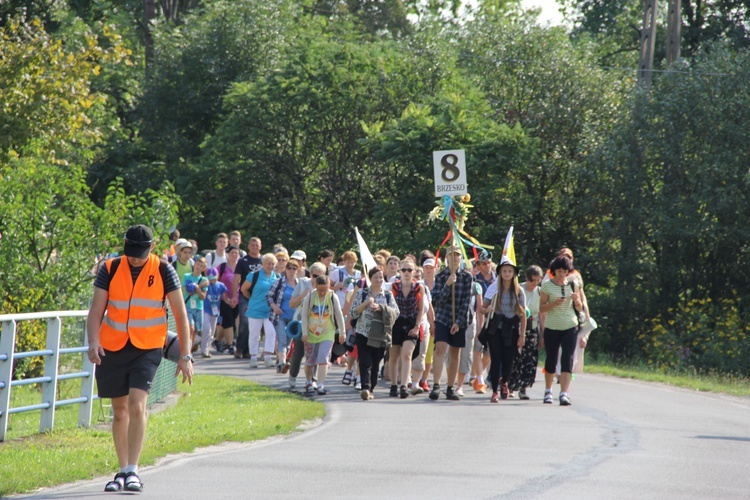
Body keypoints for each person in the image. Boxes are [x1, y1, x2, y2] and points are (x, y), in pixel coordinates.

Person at [87, 224, 193, 493]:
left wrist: (186, 355)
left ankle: (133, 470)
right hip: (113, 346)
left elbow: (181, 316)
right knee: (119, 411)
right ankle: (121, 470)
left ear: (152, 248)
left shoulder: (163, 269)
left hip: (147, 347)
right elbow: (96, 311)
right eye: (131, 251)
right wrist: (93, 342)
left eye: (140, 253)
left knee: (137, 405)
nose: (135, 257)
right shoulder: (110, 269)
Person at [429, 245, 474, 401]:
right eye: (451, 255)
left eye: (457, 255)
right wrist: (448, 285)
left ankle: (450, 387)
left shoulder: (467, 277)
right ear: (446, 258)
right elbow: (437, 301)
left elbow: (466, 302)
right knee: (440, 348)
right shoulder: (440, 277)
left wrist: (459, 322)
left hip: (459, 318)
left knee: (455, 352)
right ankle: (436, 385)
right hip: (443, 316)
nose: (454, 258)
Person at [539, 255, 585, 406]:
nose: (561, 275)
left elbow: (579, 307)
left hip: (570, 326)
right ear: (554, 271)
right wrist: (554, 304)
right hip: (552, 326)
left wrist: (577, 301)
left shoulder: (574, 285)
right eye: (558, 271)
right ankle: (548, 391)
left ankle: (564, 393)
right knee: (551, 358)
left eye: (564, 271)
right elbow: (540, 308)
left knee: (567, 359)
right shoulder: (546, 286)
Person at [350, 268, 399, 400]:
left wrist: (381, 308)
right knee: (365, 361)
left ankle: (371, 389)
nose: (379, 280)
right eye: (376, 277)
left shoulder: (388, 295)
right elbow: (353, 312)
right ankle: (365, 388)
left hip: (380, 335)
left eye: (381, 277)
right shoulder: (362, 293)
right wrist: (366, 303)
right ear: (370, 278)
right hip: (363, 333)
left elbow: (396, 313)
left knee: (376, 363)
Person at [482, 259, 527, 403]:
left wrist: (522, 335)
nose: (507, 274)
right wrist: (487, 309)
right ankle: (494, 390)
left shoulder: (519, 291)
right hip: (496, 328)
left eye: (509, 271)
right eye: (504, 271)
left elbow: (522, 314)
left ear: (513, 273)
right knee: (496, 359)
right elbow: (482, 307)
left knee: (509, 360)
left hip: (512, 328)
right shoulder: (493, 289)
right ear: (500, 273)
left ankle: (505, 382)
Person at [300, 275, 346, 395]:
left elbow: (338, 315)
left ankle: (321, 384)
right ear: (315, 286)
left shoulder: (332, 296)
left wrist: (342, 332)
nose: (322, 293)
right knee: (310, 360)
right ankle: (309, 381)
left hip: (327, 332)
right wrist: (304, 333)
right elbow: (304, 316)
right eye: (320, 290)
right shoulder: (310, 297)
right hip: (311, 333)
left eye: (324, 290)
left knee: (323, 358)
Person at [287, 262, 327, 389]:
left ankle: (311, 380)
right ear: (310, 274)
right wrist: (304, 294)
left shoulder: (325, 287)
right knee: (298, 352)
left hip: (317, 325)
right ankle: (292, 375)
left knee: (314, 353)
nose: (318, 279)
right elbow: (292, 304)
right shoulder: (303, 283)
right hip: (301, 323)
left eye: (321, 276)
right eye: (315, 276)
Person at [388, 259, 425, 398]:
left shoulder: (418, 287)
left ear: (414, 271)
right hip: (396, 322)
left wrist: (417, 326)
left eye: (409, 270)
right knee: (393, 355)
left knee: (407, 354)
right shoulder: (394, 287)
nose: (406, 273)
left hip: (411, 323)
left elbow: (421, 310)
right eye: (403, 270)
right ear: (399, 271)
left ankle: (404, 385)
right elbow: (389, 307)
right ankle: (393, 384)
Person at [508, 265, 544, 399]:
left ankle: (523, 388)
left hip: (532, 327)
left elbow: (542, 315)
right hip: (516, 326)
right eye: (532, 280)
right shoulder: (519, 289)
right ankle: (510, 385)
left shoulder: (540, 292)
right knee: (514, 358)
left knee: (529, 359)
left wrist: (542, 334)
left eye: (537, 280)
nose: (534, 283)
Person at [241, 253, 279, 368]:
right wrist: (251, 299)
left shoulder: (277, 277)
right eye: (268, 263)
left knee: (271, 333)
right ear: (262, 264)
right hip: (255, 309)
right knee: (254, 334)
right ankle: (253, 357)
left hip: (270, 311)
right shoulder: (254, 275)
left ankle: (267, 356)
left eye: (273, 264)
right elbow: (244, 289)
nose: (270, 266)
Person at [233, 237, 263, 358]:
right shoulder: (243, 261)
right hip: (245, 296)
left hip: (259, 297)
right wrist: (234, 295)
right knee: (244, 322)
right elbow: (236, 279)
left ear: (260, 246)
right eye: (252, 245)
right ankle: (240, 348)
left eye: (257, 245)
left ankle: (249, 349)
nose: (255, 247)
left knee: (256, 324)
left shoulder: (263, 260)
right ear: (249, 246)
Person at [267, 257, 299, 371]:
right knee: (282, 340)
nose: (291, 270)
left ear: (297, 271)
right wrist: (274, 307)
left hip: (294, 318)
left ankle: (281, 361)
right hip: (280, 316)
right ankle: (282, 363)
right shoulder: (279, 282)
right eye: (289, 268)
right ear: (286, 270)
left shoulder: (300, 284)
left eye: (294, 268)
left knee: (289, 343)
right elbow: (269, 296)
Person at [215, 245, 240, 354]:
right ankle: (230, 345)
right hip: (223, 298)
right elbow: (214, 281)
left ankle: (217, 340)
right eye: (232, 253)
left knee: (226, 323)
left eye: (236, 253)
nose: (234, 255)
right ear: (227, 254)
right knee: (228, 321)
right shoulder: (222, 267)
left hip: (238, 299)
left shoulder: (240, 267)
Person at [183, 256, 208, 357]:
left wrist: (198, 288)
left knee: (197, 330)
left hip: (198, 307)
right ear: (194, 264)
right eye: (198, 264)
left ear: (203, 268)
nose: (199, 267)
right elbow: (189, 291)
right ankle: (187, 349)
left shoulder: (204, 279)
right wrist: (200, 286)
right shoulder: (187, 276)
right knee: (191, 328)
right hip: (189, 306)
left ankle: (191, 348)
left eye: (202, 266)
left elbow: (203, 297)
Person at [202, 267, 229, 357]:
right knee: (207, 329)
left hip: (215, 311)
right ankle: (203, 350)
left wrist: (230, 302)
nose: (212, 280)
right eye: (210, 278)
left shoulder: (221, 285)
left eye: (214, 277)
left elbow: (225, 297)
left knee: (212, 332)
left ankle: (207, 349)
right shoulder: (206, 284)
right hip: (205, 309)